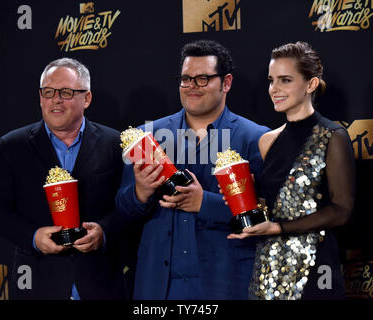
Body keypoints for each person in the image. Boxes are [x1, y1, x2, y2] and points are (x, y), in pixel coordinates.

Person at [115, 39, 270, 299]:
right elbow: (124, 210)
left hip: (225, 285)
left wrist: (204, 203)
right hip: (159, 288)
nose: (191, 87)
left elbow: (268, 216)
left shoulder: (256, 138)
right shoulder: (147, 137)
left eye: (202, 79)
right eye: (186, 79)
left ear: (227, 82)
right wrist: (140, 192)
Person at [0, 57, 129, 299]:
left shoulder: (114, 143)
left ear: (87, 98)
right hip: (38, 284)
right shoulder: (13, 145)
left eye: (66, 92)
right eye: (48, 92)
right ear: (40, 98)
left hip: (100, 284)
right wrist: (33, 237)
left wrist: (104, 232)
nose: (55, 99)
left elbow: (129, 205)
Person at [226, 42, 355, 300]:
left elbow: (341, 210)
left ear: (311, 84)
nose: (274, 89)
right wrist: (243, 194)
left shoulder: (333, 136)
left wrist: (279, 228)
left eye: (285, 80)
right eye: (271, 80)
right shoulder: (267, 140)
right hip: (269, 269)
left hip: (316, 270)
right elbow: (270, 206)